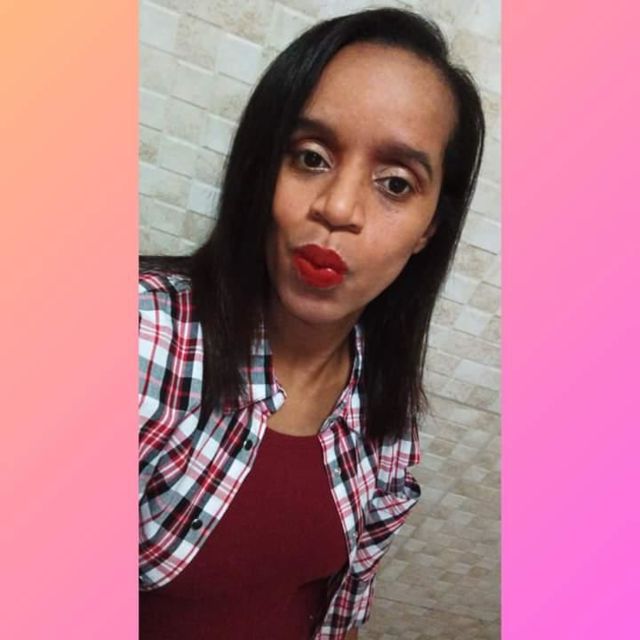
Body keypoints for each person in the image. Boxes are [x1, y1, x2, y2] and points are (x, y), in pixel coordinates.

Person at [138, 7, 484, 639]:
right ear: (262, 167)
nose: (339, 207)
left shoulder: (386, 416)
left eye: (396, 184)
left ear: (429, 229)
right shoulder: (138, 342)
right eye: (311, 157)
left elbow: (340, 607)